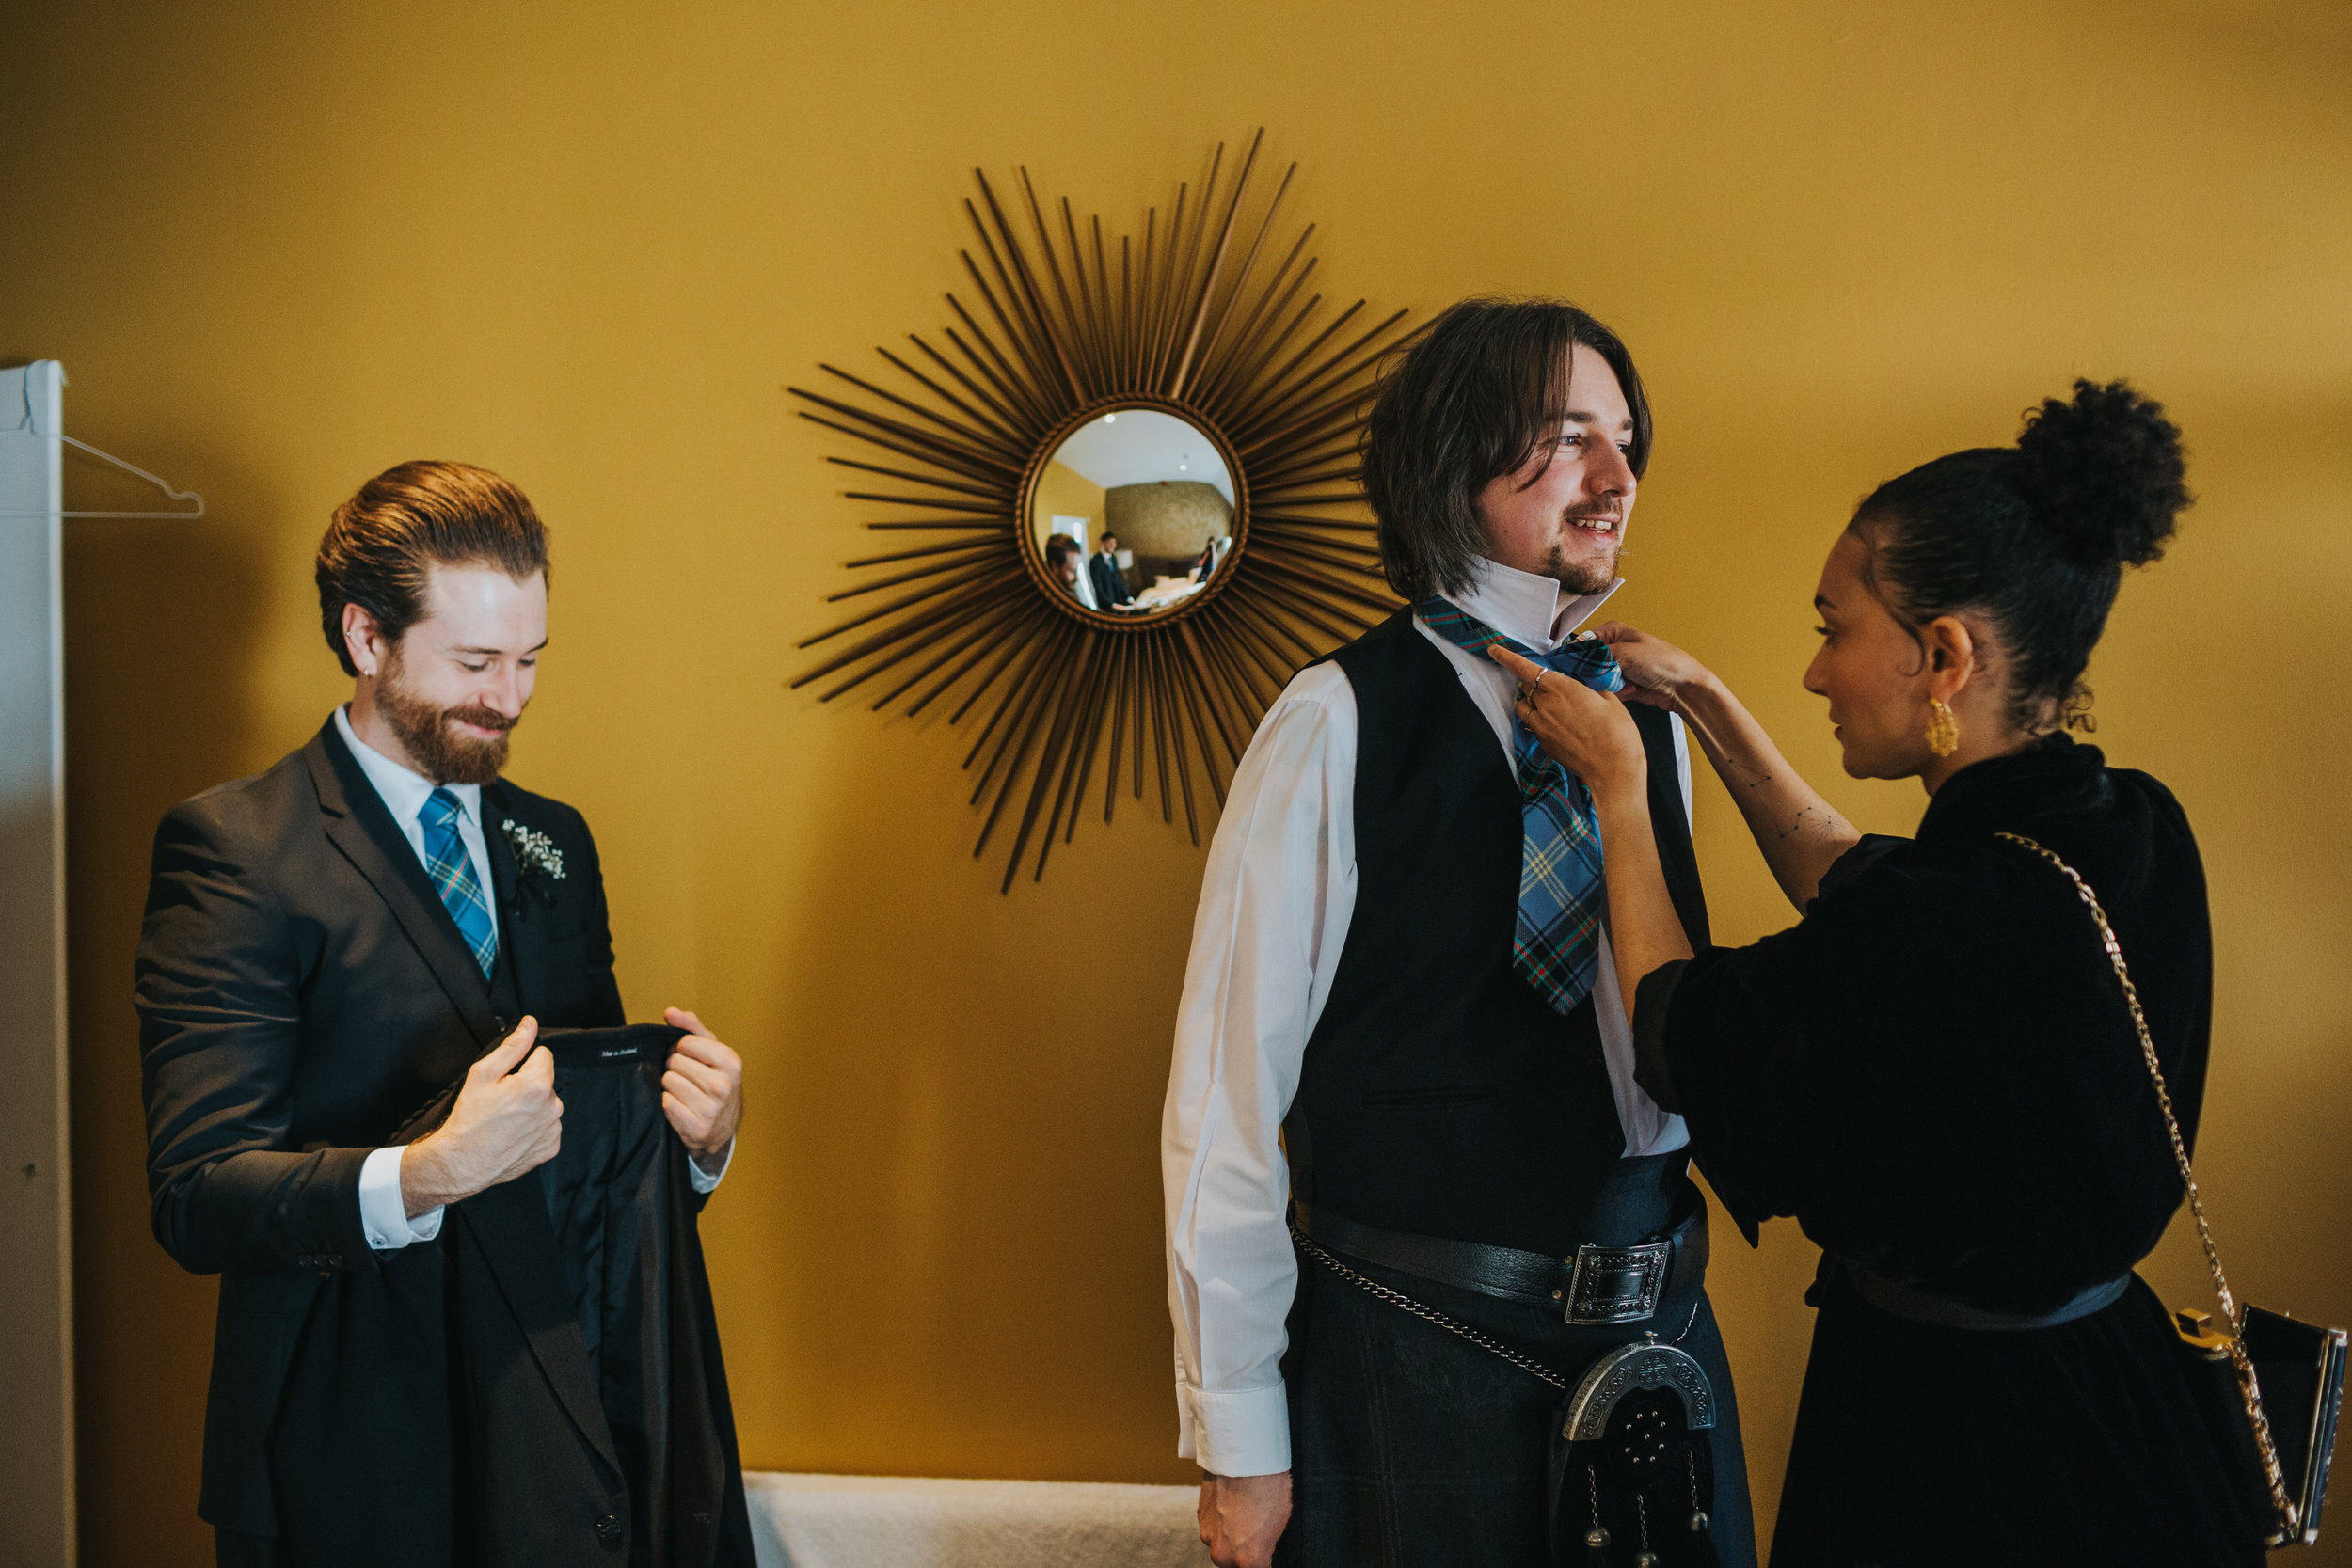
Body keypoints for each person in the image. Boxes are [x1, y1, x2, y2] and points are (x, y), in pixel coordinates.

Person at [1496, 379, 2265, 1565]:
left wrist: (1620, 794)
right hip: (2124, 1400)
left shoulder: (1937, 924)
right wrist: (1705, 705)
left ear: (1944, 654)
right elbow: (1867, 886)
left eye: (1831, 628)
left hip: (1965, 1446)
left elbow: (1674, 1025)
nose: (1815, 673)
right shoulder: (2127, 827)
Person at [1165, 297, 1756, 1568]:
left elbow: (1661, 1056)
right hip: (1410, 1353)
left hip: (1656, 1361)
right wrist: (1244, 1435)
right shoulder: (1333, 717)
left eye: (1626, 439)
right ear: (1455, 461)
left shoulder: (1649, 728)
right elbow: (1222, 1101)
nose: (1618, 478)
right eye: (1567, 438)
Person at [136, 461, 753, 1566]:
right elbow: (196, 1195)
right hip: (344, 1445)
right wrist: (426, 1170)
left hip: (548, 1420)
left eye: (528, 660)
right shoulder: (233, 850)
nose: (509, 697)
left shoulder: (555, 841)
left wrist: (695, 1141)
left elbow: (579, 1156)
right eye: (474, 662)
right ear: (367, 637)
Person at [1090, 531, 1136, 609]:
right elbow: (1098, 588)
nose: (1113, 546)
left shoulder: (1113, 559)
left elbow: (1118, 581)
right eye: (1110, 543)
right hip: (1106, 605)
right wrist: (1111, 604)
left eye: (1114, 543)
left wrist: (1129, 598)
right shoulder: (1095, 561)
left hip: (1118, 602)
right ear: (1102, 543)